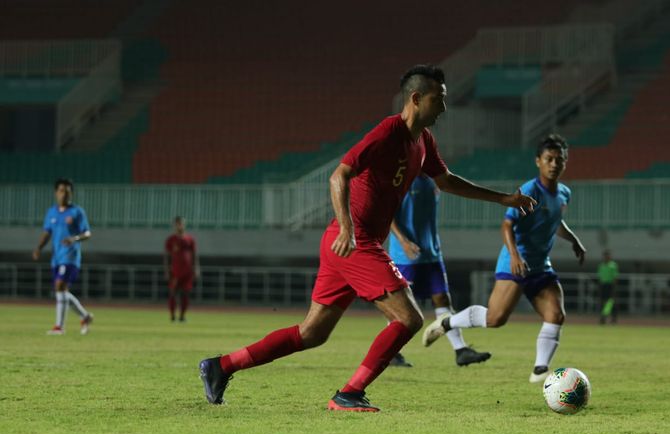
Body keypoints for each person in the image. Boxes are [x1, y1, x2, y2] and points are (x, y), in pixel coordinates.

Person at [198, 64, 536, 412]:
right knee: (408, 319)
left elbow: (446, 181)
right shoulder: (388, 132)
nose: (444, 108)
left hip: (349, 244)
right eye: (439, 100)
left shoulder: (423, 141)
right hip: (354, 241)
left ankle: (221, 365)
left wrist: (503, 199)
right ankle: (349, 393)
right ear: (416, 99)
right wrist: (346, 228)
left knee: (312, 333)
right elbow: (338, 177)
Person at [423, 134, 585, 384]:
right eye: (549, 159)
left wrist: (573, 239)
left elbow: (554, 221)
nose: (554, 164)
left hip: (541, 266)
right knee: (495, 319)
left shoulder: (563, 192)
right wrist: (514, 255)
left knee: (556, 315)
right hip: (516, 263)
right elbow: (508, 224)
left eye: (559, 159)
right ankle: (447, 322)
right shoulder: (530, 190)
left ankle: (540, 371)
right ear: (538, 161)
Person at [388, 174, 491, 367]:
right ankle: (392, 352)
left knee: (442, 299)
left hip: (431, 252)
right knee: (402, 305)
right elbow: (388, 213)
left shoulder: (434, 178)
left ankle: (460, 350)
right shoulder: (400, 178)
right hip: (405, 255)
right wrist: (403, 241)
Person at [32, 178, 94, 335]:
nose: (64, 194)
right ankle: (85, 316)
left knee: (60, 286)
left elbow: (87, 233)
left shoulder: (77, 212)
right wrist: (39, 247)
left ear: (71, 193)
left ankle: (59, 327)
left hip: (71, 257)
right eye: (61, 191)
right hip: (56, 257)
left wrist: (74, 239)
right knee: (61, 290)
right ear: (56, 193)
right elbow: (47, 232)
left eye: (67, 191)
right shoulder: (51, 212)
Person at [164, 216, 199, 322]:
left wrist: (196, 268)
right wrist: (166, 270)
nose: (180, 225)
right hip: (175, 272)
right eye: (178, 224)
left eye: (181, 223)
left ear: (184, 224)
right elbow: (167, 256)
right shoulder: (171, 240)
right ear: (174, 225)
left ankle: (182, 316)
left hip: (187, 272)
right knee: (173, 293)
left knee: (186, 294)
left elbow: (194, 255)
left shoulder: (190, 239)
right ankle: (172, 315)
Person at [598, 250, 619, 324]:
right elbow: (600, 277)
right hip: (603, 285)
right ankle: (603, 318)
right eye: (605, 256)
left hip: (610, 285)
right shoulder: (601, 265)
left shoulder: (613, 265)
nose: (606, 257)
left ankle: (613, 319)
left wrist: (614, 288)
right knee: (602, 302)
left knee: (611, 302)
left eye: (607, 256)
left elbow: (615, 277)